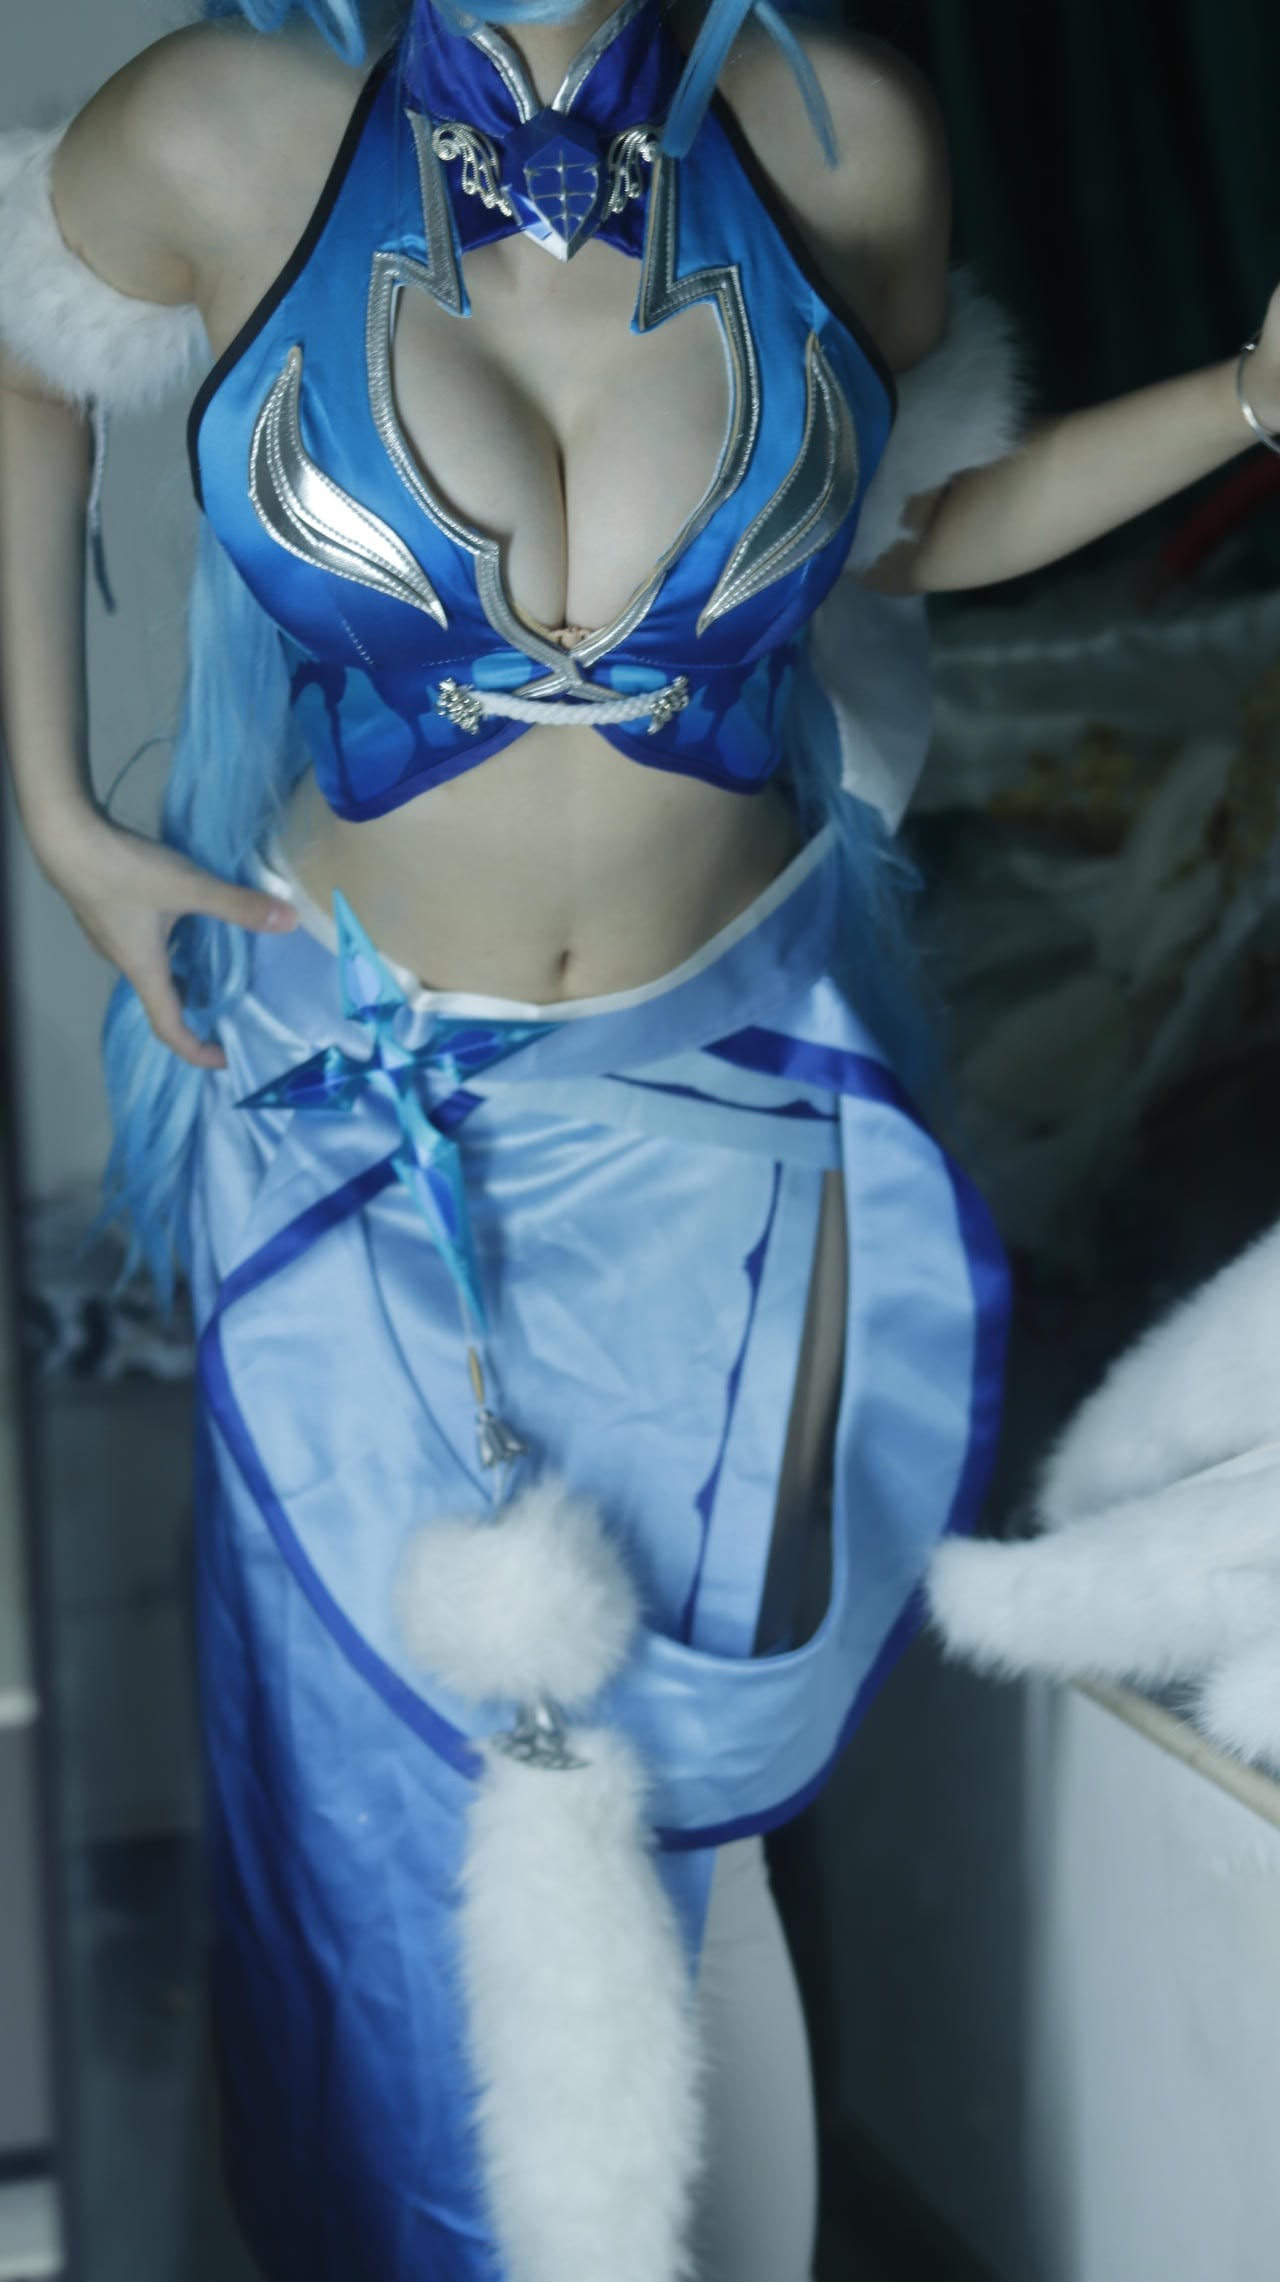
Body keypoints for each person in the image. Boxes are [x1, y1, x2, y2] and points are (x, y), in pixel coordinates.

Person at [2, 2, 1278, 2276]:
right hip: (363, 1129)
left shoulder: (837, 125)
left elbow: (902, 530)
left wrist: (1249, 398)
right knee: (386, 1841)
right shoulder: (218, 122)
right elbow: (21, 355)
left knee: (697, 1820)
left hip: (733, 1118)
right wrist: (62, 812)